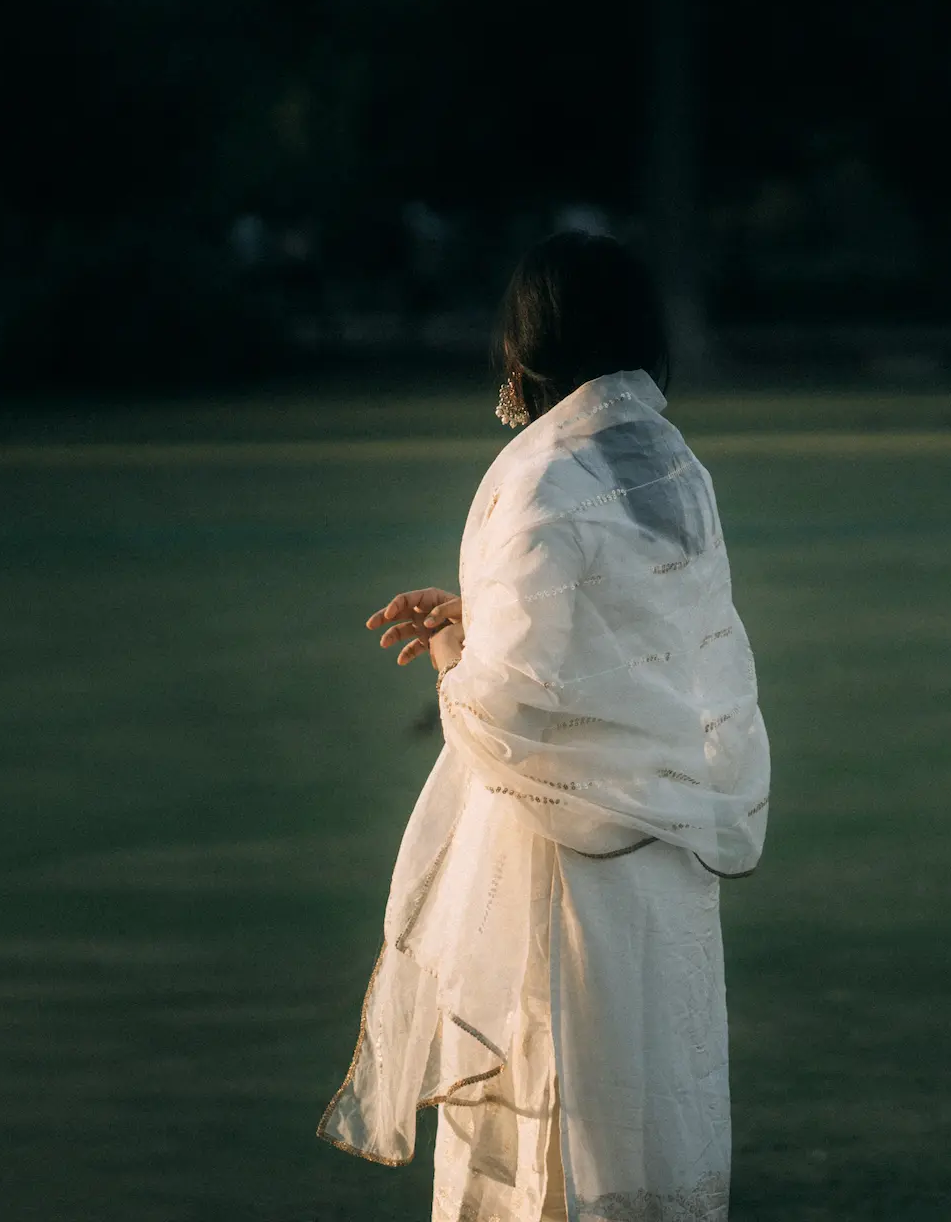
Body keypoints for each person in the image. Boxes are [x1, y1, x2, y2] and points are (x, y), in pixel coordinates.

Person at [319, 231, 772, 1222]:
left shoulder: (543, 475)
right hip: (660, 852)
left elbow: (510, 707)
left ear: (526, 346)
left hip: (555, 858)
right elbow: (637, 641)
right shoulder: (673, 470)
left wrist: (454, 654)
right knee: (643, 1107)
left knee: (553, 1129)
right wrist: (480, 620)